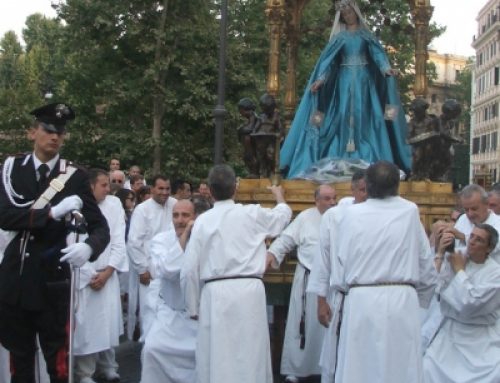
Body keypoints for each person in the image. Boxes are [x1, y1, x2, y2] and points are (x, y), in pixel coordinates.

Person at [0, 103, 110, 383]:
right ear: (32, 132)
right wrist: (50, 213)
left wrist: (89, 248)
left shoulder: (73, 176)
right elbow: (5, 216)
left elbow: (100, 227)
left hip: (52, 283)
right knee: (20, 364)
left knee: (58, 367)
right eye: (48, 130)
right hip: (16, 281)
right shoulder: (12, 169)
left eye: (60, 132)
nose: (55, 137)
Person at [314, 161, 436, 383]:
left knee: (361, 366)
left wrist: (342, 288)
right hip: (402, 299)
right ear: (397, 186)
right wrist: (420, 302)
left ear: (368, 186)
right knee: (400, 365)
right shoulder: (410, 210)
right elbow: (425, 261)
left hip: (363, 299)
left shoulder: (351, 215)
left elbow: (341, 259)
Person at [182, 164, 292, 383]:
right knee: (250, 350)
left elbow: (189, 269)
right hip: (248, 291)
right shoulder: (251, 213)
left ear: (210, 192)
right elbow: (282, 217)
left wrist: (192, 305)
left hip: (216, 293)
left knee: (218, 352)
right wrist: (279, 196)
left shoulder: (203, 221)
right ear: (236, 188)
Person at [280, 0, 411, 179]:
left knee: (367, 117)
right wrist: (320, 80)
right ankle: (342, 155)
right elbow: (329, 62)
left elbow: (378, 55)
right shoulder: (339, 38)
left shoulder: (366, 35)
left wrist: (386, 69)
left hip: (365, 82)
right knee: (341, 115)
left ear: (356, 11)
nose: (348, 16)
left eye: (349, 12)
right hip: (343, 81)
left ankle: (368, 157)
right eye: (344, 14)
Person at [267, 185, 336, 383]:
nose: (332, 202)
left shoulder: (342, 216)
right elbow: (286, 239)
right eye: (327, 198)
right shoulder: (306, 217)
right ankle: (296, 370)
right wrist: (271, 255)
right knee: (302, 325)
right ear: (317, 201)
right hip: (308, 280)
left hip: (332, 283)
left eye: (334, 198)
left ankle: (328, 371)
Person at [141, 198, 211, 383]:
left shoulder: (207, 241)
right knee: (151, 350)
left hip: (199, 317)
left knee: (206, 356)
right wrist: (184, 236)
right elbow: (167, 270)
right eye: (176, 215)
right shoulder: (161, 240)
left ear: (195, 217)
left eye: (185, 215)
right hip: (170, 315)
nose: (179, 220)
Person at [423, 224, 500, 383]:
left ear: (489, 248)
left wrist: (459, 270)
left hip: (480, 337)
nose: (471, 242)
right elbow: (435, 286)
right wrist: (440, 252)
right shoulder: (457, 256)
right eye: (471, 236)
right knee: (428, 367)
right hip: (451, 332)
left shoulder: (495, 273)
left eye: (479, 240)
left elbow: (470, 304)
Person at [73, 169, 128, 383]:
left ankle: (108, 366)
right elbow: (74, 241)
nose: (108, 189)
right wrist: (89, 275)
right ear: (91, 186)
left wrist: (108, 272)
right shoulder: (77, 206)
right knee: (89, 328)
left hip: (107, 272)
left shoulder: (113, 205)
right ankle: (85, 372)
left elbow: (118, 240)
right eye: (104, 185)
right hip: (86, 275)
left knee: (109, 324)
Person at [127, 175, 177, 340]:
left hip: (172, 269)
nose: (164, 192)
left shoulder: (175, 205)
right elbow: (134, 242)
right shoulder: (143, 209)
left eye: (167, 189)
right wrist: (142, 269)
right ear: (153, 189)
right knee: (150, 312)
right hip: (150, 272)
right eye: (160, 188)